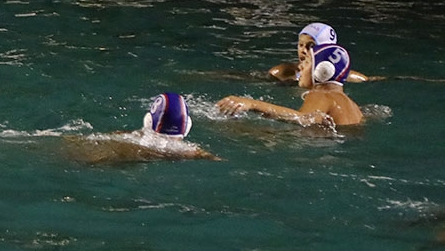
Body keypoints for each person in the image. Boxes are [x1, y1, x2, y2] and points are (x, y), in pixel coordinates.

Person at [219, 43, 364, 127]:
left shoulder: (322, 95)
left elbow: (303, 119)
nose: (300, 66)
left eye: (306, 62)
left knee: (234, 129)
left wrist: (251, 104)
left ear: (322, 71)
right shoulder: (353, 106)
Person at [64, 92, 220, 163]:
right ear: (187, 126)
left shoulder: (130, 136)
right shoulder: (190, 151)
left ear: (148, 121)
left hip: (92, 155)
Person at [268, 22, 376, 84]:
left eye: (311, 46)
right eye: (300, 45)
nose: (303, 50)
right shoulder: (282, 73)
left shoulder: (347, 77)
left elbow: (372, 80)